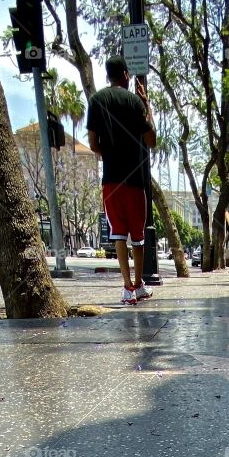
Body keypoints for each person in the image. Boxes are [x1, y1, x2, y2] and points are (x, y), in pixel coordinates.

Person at [86, 55, 156, 305]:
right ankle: (139, 284)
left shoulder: (96, 101)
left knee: (118, 235)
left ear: (108, 76)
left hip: (111, 181)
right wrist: (146, 105)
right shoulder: (135, 102)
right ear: (126, 75)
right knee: (138, 237)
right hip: (135, 180)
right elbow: (151, 140)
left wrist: (109, 154)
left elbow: (93, 143)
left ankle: (127, 288)